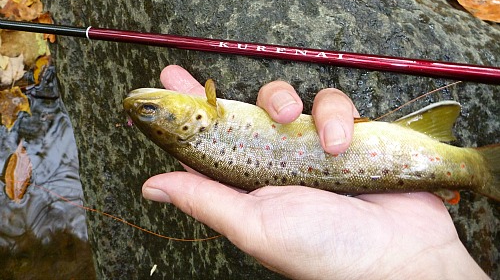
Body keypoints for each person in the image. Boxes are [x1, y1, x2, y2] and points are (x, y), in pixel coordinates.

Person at [142, 65, 488, 279]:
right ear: (196, 120)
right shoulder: (203, 117)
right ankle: (479, 168)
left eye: (147, 111)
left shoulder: (203, 124)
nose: (144, 106)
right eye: (148, 111)